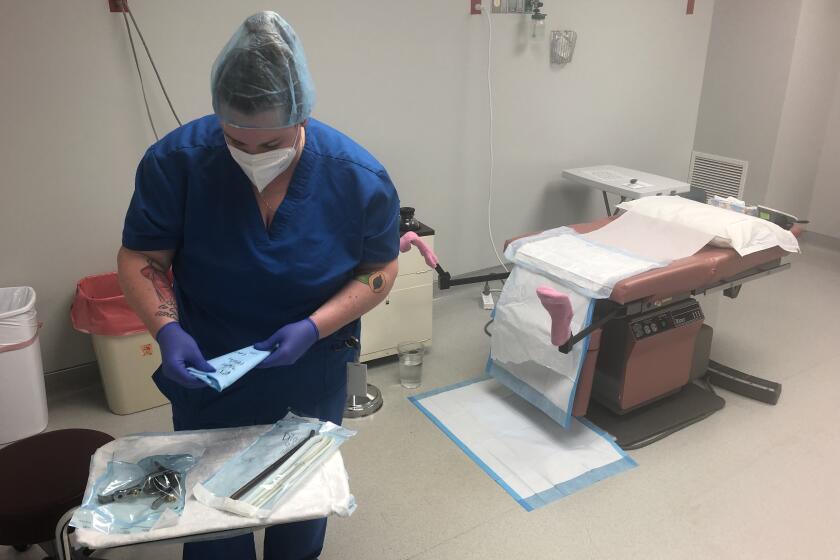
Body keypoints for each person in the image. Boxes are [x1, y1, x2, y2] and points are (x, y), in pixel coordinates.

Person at [117, 11, 400, 560]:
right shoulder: (175, 163)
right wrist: (166, 329)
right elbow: (141, 256)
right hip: (207, 366)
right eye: (235, 141)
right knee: (213, 521)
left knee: (296, 508)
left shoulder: (357, 177)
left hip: (310, 366)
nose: (252, 155)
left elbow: (379, 269)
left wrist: (315, 326)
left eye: (270, 141)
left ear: (302, 117)